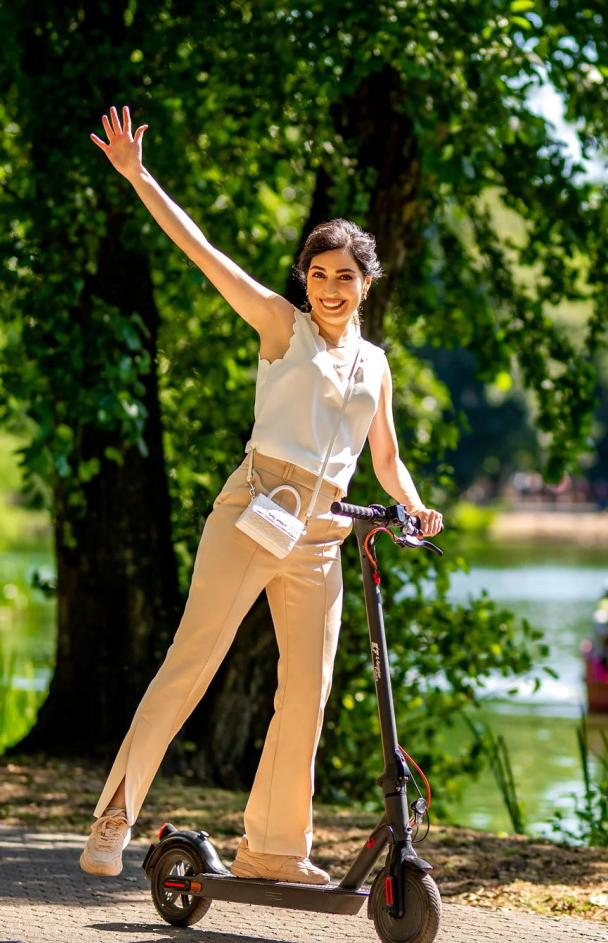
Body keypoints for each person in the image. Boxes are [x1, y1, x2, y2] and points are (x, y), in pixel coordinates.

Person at [78, 106, 443, 885]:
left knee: (306, 693)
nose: (330, 289)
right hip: (256, 511)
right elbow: (204, 255)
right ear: (303, 282)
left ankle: (274, 848)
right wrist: (140, 177)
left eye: (345, 276)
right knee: (190, 666)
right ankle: (112, 820)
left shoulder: (375, 365)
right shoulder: (282, 327)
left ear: (368, 283)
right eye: (318, 274)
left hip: (323, 537)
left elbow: (387, 458)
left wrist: (412, 504)